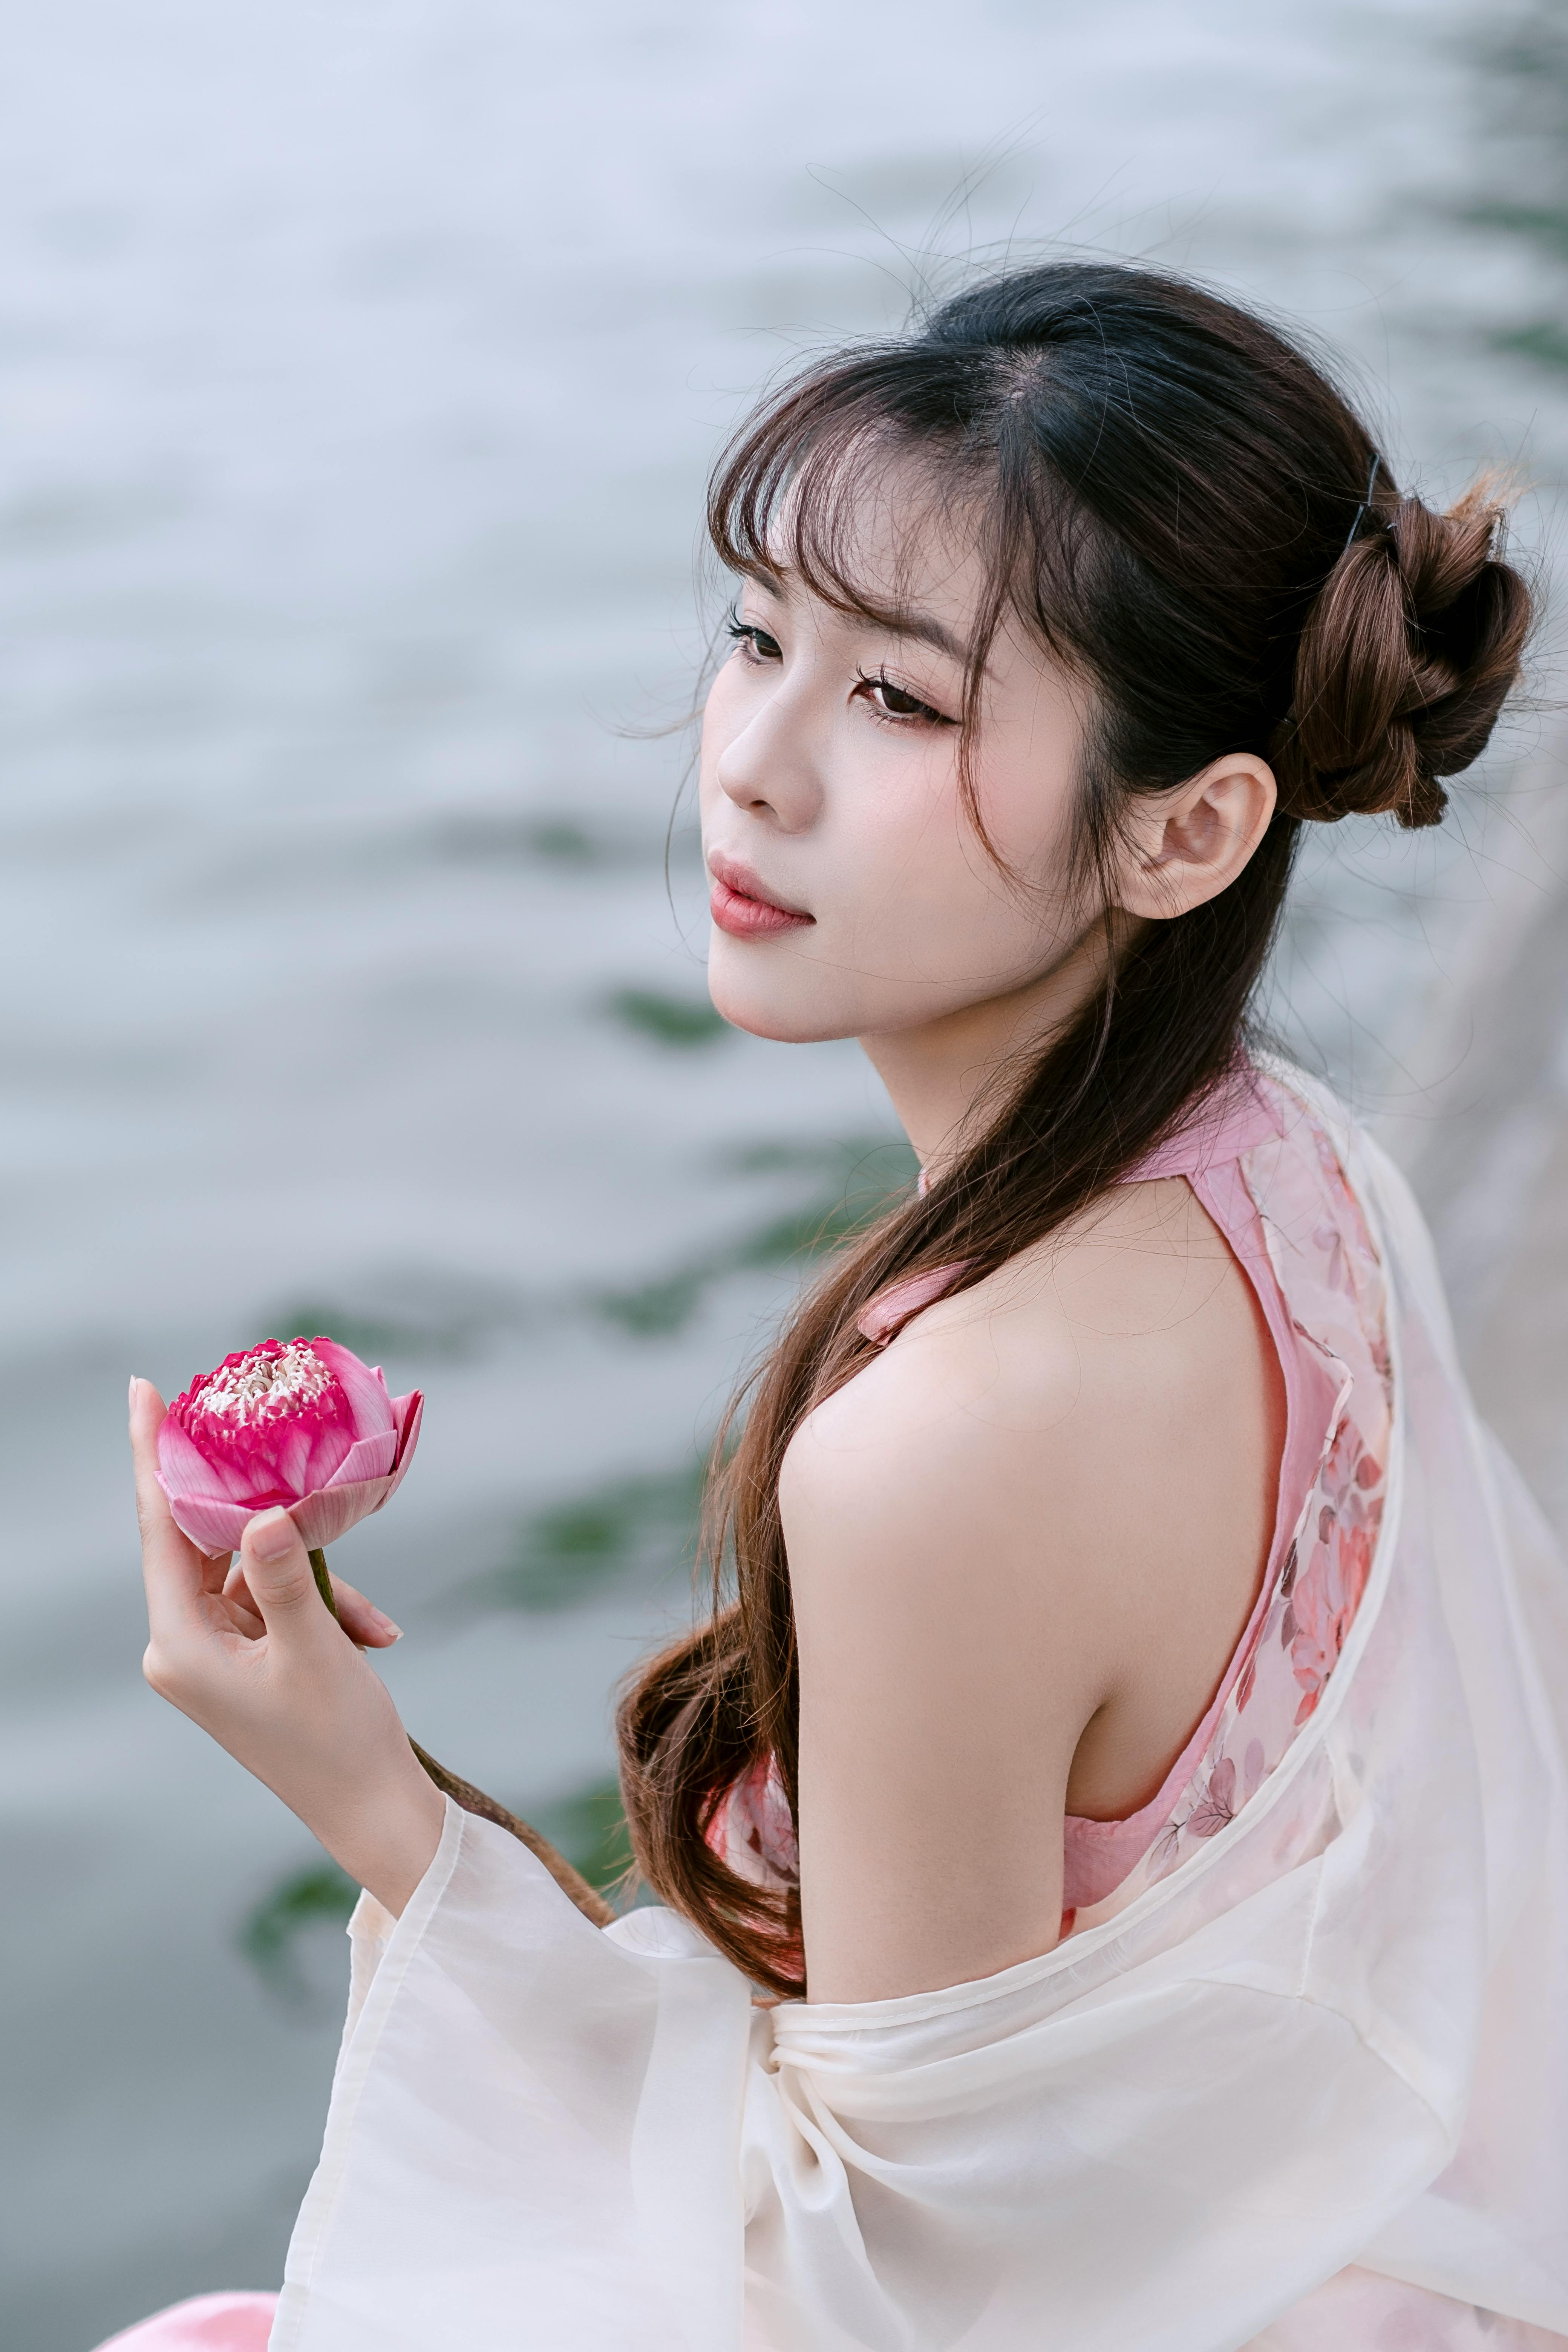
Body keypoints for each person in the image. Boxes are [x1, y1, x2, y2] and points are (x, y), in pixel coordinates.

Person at [117, 263, 1567, 2350]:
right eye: (756, 638)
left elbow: (893, 2287)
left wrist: (369, 1799)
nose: (755, 766)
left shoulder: (933, 1453)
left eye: (901, 698)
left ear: (1189, 830)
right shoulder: (1296, 1169)